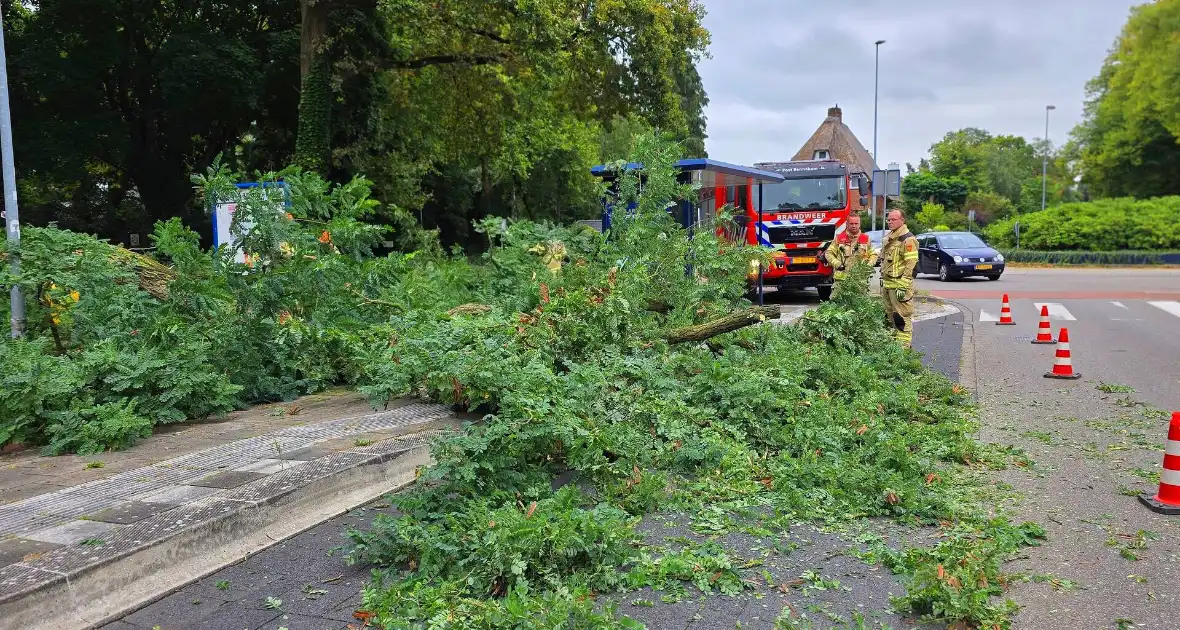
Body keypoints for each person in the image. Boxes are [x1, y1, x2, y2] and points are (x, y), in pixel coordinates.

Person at [879, 209, 919, 348]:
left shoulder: (907, 239)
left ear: (902, 220)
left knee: (901, 319)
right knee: (890, 320)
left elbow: (911, 264)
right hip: (888, 286)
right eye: (888, 220)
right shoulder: (890, 237)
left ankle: (903, 354)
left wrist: (904, 284)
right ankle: (894, 351)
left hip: (899, 287)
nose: (890, 222)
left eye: (893, 219)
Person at [825, 215, 877, 282]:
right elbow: (828, 253)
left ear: (859, 224)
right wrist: (837, 264)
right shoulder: (839, 238)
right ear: (847, 224)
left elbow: (874, 255)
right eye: (851, 223)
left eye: (856, 223)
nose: (854, 226)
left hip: (859, 280)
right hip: (841, 281)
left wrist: (867, 266)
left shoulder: (866, 239)